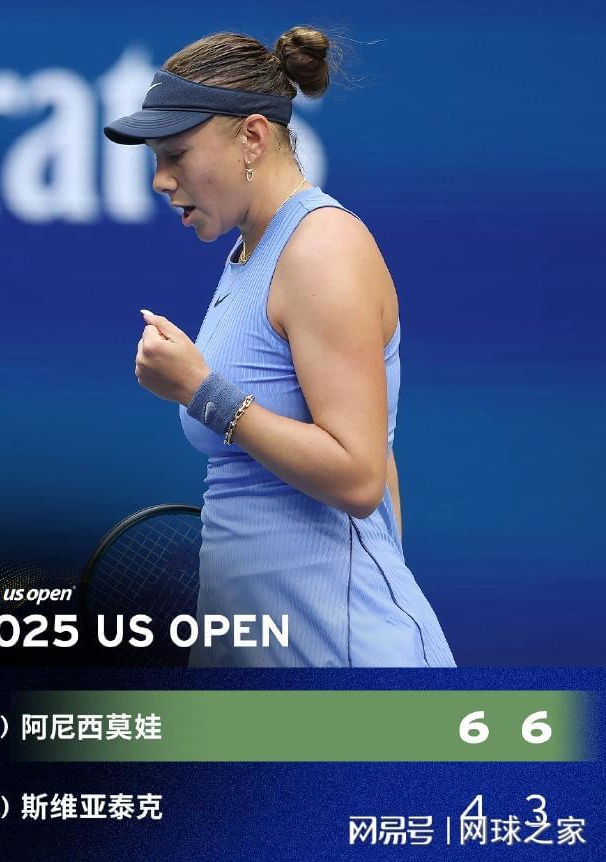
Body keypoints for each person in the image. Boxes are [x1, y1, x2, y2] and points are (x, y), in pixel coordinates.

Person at [104, 26, 456, 667]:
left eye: (176, 154)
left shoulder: (322, 248)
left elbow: (359, 476)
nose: (160, 180)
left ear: (252, 137)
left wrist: (200, 392)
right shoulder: (251, 254)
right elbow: (379, 455)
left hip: (347, 664)